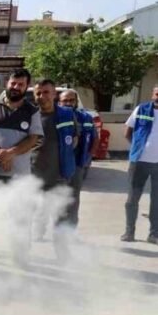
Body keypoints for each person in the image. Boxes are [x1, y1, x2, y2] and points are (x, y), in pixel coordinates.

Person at [31, 78, 79, 258]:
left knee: (60, 217)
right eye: (38, 93)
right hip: (33, 177)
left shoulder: (67, 114)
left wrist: (63, 158)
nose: (42, 96)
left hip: (59, 176)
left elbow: (74, 139)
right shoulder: (31, 115)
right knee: (29, 215)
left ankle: (63, 257)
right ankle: (25, 255)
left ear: (54, 94)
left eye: (46, 92)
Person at [0, 69, 42, 185]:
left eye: (20, 84)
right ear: (7, 83)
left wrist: (11, 153)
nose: (16, 87)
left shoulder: (33, 112)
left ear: (27, 86)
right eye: (13, 83)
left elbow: (32, 139)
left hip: (19, 175)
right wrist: (2, 156)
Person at [122, 84, 158, 244]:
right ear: (153, 94)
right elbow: (128, 131)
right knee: (132, 199)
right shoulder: (141, 109)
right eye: (157, 93)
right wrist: (137, 149)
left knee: (157, 200)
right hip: (139, 162)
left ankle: (154, 234)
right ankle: (129, 232)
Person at [59, 89, 99, 230]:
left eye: (71, 100)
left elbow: (95, 139)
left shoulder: (86, 117)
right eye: (65, 100)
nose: (68, 103)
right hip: (57, 165)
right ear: (59, 102)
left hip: (77, 165)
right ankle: (43, 229)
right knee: (53, 197)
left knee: (73, 199)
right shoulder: (55, 116)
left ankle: (71, 231)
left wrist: (88, 158)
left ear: (76, 102)